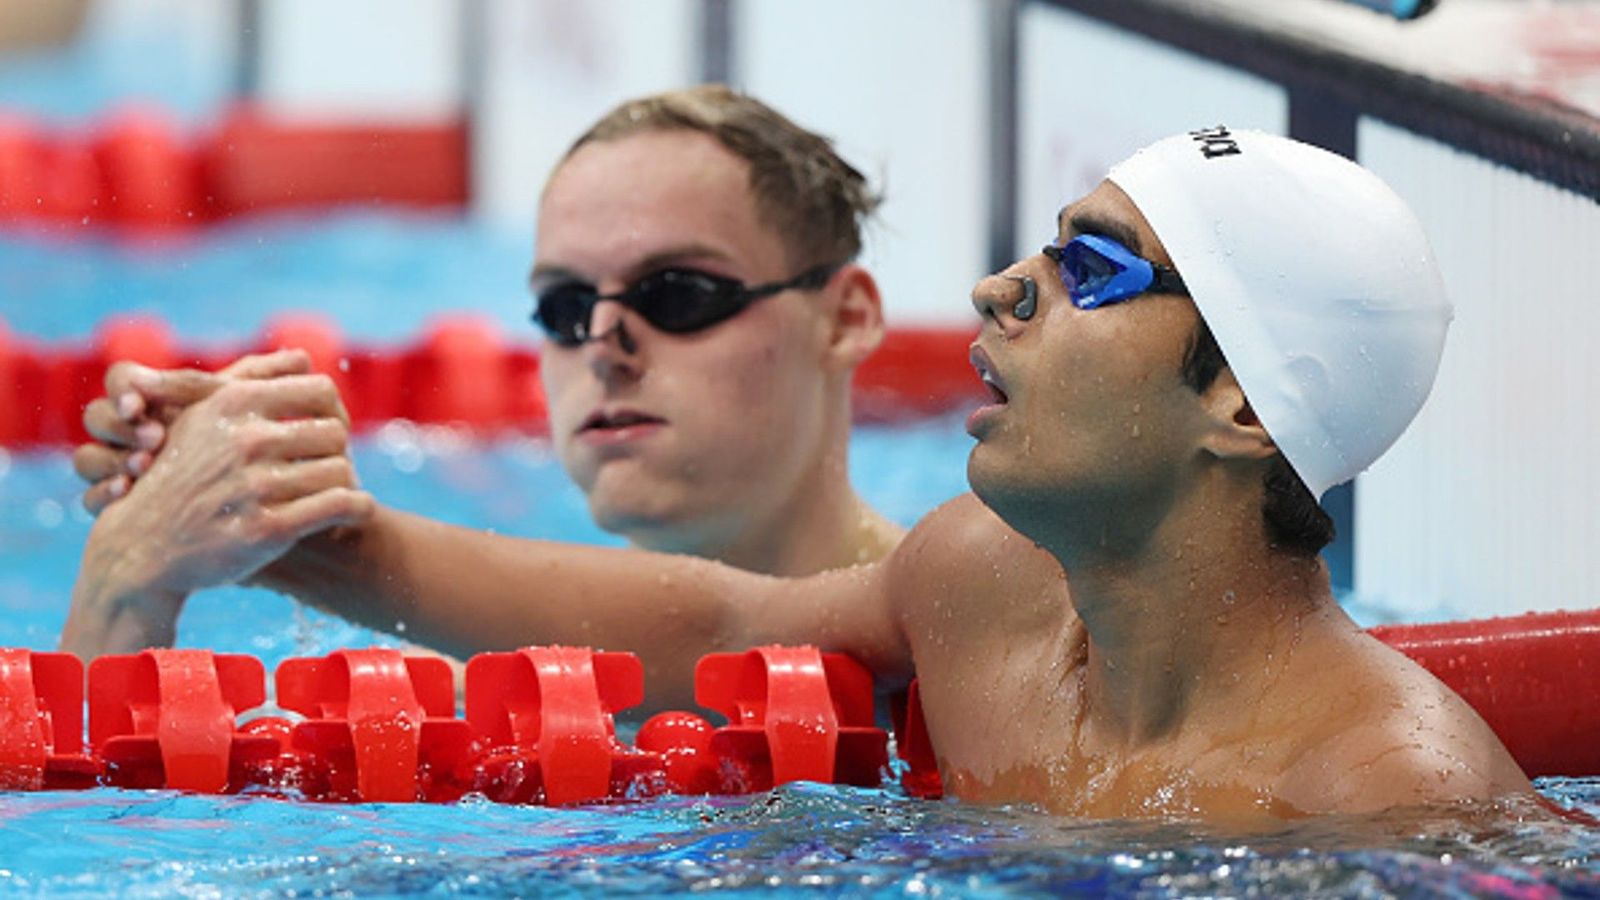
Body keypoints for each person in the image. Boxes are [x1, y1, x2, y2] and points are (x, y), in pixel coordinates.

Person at [63, 126, 1533, 823]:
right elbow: (708, 627)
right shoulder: (982, 591)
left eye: (1089, 270)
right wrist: (291, 523)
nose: (1001, 287)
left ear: (1236, 403)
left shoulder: (1386, 796)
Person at [61, 85, 903, 656]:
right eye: (564, 307)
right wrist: (129, 575)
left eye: (677, 292)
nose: (603, 344)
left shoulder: (969, 616)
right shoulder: (491, 700)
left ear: (846, 319)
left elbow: (716, 627)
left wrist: (296, 521)